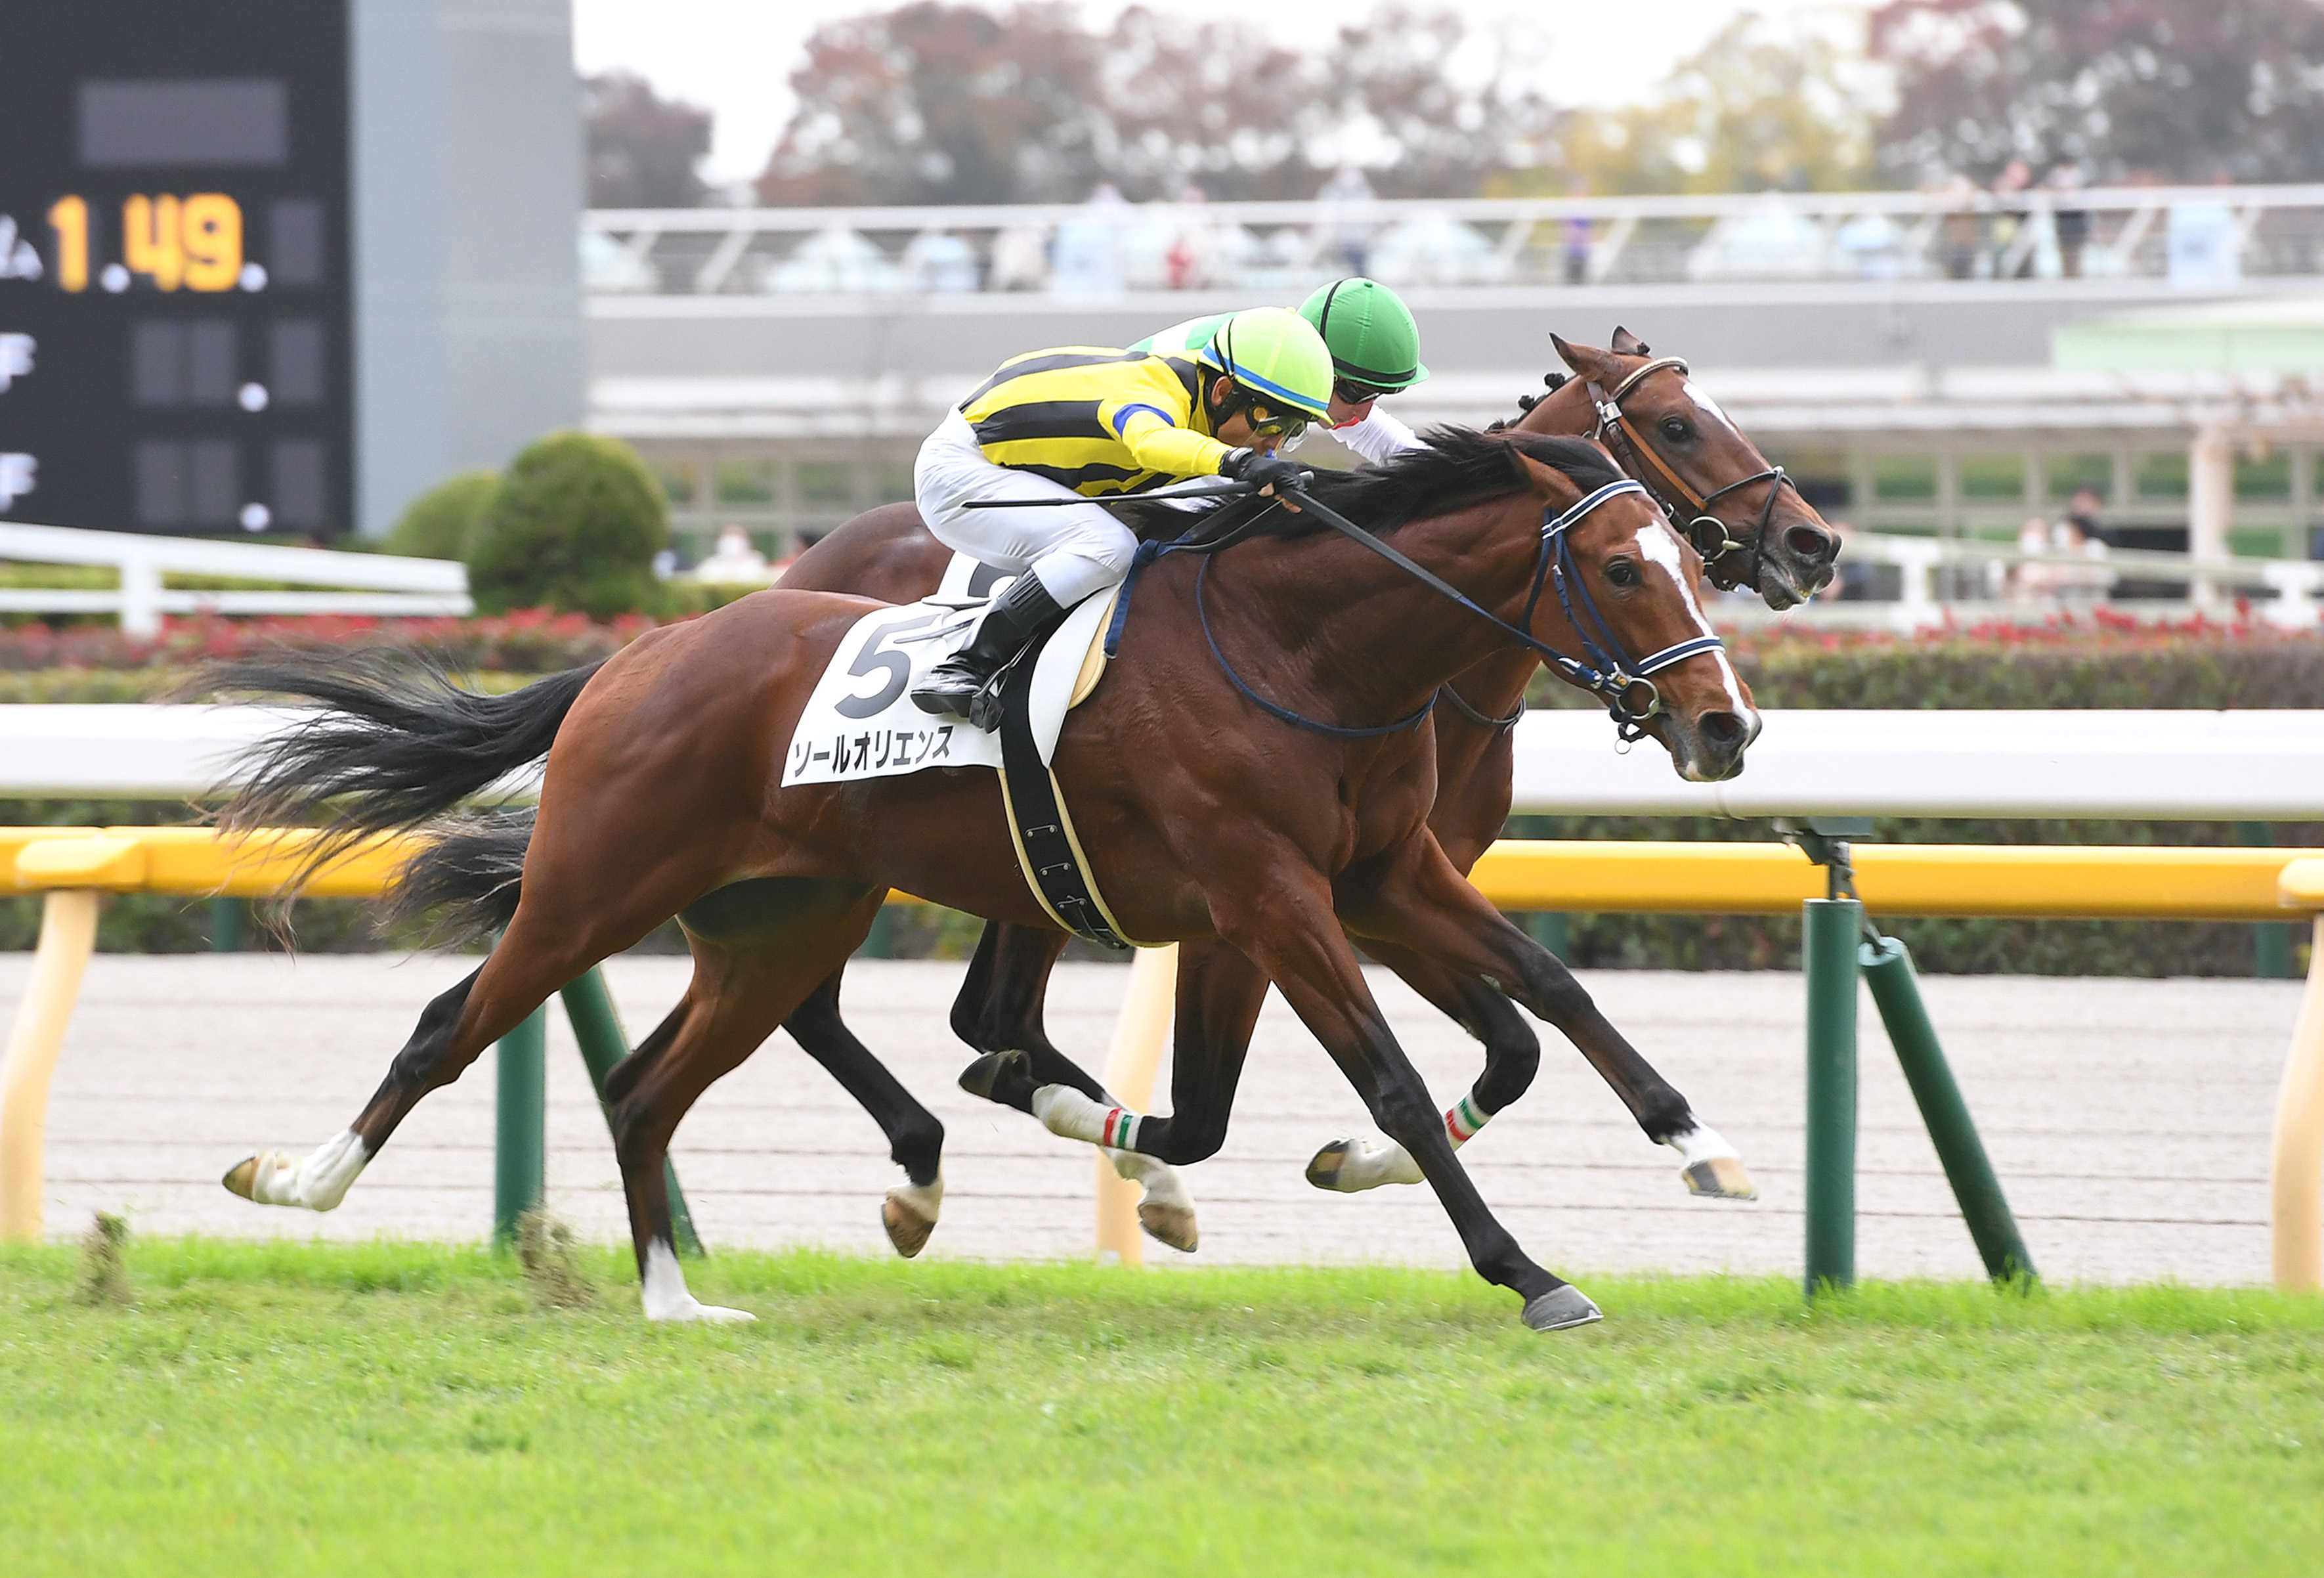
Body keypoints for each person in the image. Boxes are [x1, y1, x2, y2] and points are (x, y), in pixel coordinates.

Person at [908, 306, 1335, 724]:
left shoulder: (1200, 395)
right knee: (1108, 547)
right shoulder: (1152, 395)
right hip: (960, 473)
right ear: (1223, 392)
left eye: (1294, 432)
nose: (1275, 444)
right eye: (1273, 424)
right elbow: (1150, 442)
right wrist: (1240, 463)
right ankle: (965, 664)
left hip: (1015, 466)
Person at [1128, 277, 1431, 467]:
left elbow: (1383, 440)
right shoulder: (1254, 368)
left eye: (1375, 396)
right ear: (1323, 369)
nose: (1362, 413)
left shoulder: (1290, 359)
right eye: (1357, 393)